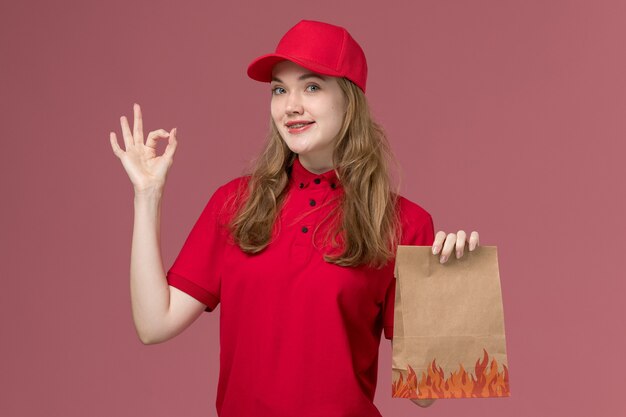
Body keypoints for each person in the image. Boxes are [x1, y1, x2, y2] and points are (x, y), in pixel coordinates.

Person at [110, 19, 479, 417]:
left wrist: (448, 288)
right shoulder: (236, 203)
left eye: (312, 87)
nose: (291, 106)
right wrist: (147, 196)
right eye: (280, 90)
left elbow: (426, 393)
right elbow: (154, 324)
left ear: (349, 100)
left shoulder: (404, 223)